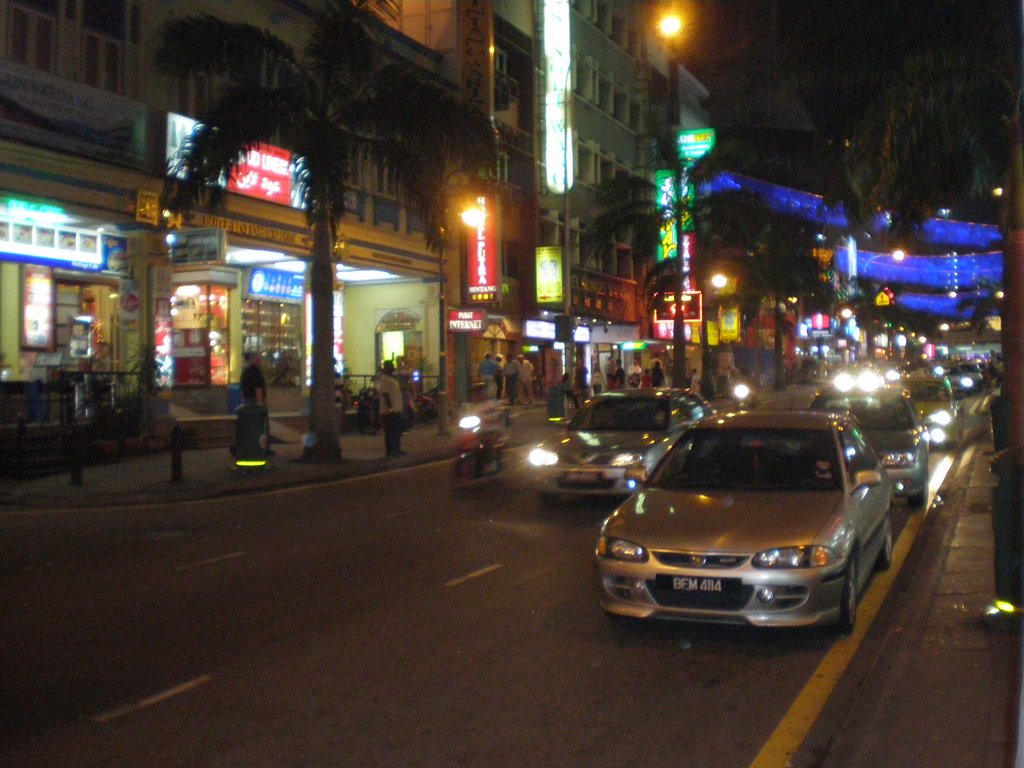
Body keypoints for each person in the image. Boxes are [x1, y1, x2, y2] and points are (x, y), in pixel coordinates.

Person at [377, 360, 405, 458]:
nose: (393, 368)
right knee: (390, 431)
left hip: (396, 408)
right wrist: (391, 408)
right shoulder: (384, 379)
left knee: (396, 430)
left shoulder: (391, 378)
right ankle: (391, 451)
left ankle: (397, 449)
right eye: (391, 366)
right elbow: (385, 394)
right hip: (389, 411)